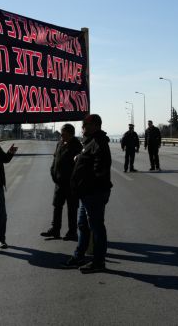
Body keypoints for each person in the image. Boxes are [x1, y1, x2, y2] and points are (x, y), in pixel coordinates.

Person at [61, 114, 112, 273]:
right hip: (86, 194)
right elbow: (88, 160)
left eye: (85, 125)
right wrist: (80, 157)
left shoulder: (99, 142)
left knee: (96, 227)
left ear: (95, 125)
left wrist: (86, 184)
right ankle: (79, 256)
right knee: (83, 225)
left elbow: (100, 170)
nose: (82, 128)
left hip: (93, 194)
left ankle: (99, 262)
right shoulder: (90, 141)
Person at [41, 123, 83, 240]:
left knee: (72, 208)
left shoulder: (76, 146)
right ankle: (55, 230)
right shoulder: (59, 143)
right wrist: (52, 172)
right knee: (57, 206)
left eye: (63, 133)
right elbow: (56, 159)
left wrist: (74, 181)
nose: (61, 135)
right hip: (59, 183)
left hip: (71, 184)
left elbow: (79, 166)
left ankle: (72, 232)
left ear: (70, 133)